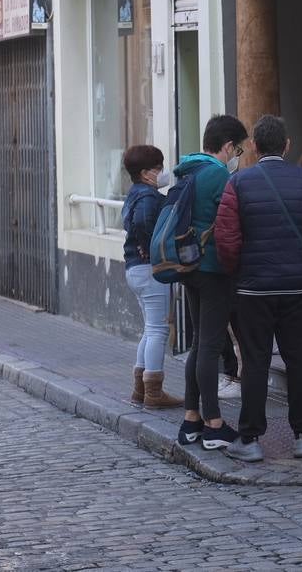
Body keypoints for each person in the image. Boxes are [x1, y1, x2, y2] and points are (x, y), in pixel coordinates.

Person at [213, 115, 302, 463]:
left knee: (254, 361)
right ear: (287, 145)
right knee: (298, 358)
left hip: (253, 290)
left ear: (254, 145)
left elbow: (225, 239)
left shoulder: (238, 183)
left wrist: (240, 269)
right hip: (297, 288)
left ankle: (250, 438)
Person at [175, 114, 248, 452]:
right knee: (209, 346)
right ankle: (214, 425)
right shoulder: (218, 174)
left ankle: (191, 420)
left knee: (197, 344)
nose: (239, 156)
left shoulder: (188, 167)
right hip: (213, 269)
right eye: (239, 150)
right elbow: (231, 221)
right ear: (229, 146)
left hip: (189, 265)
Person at [120, 144, 181, 409]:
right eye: (158, 168)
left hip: (134, 269)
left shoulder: (134, 193)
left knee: (149, 329)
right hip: (149, 269)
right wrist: (151, 247)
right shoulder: (148, 197)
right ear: (146, 173)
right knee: (158, 330)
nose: (162, 172)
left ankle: (139, 390)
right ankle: (154, 393)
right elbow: (145, 223)